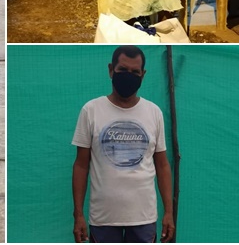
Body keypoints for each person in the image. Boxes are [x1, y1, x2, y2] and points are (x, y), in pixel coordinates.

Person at [71, 46, 174, 243]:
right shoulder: (91, 111)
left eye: (135, 72)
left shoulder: (154, 113)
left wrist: (168, 212)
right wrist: (78, 214)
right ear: (111, 70)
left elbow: (162, 165)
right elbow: (81, 165)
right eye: (122, 70)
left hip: (144, 217)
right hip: (103, 219)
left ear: (143, 75)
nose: (129, 76)